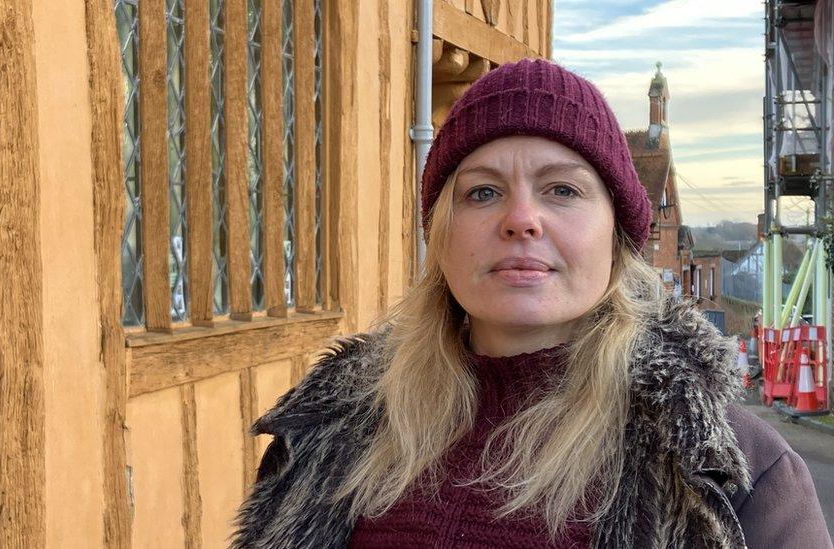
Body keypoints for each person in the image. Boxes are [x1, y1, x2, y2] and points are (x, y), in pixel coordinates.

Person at [230, 58, 831, 549]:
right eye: (483, 191)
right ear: (440, 235)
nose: (521, 220)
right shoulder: (329, 433)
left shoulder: (730, 474)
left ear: (618, 237)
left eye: (562, 190)